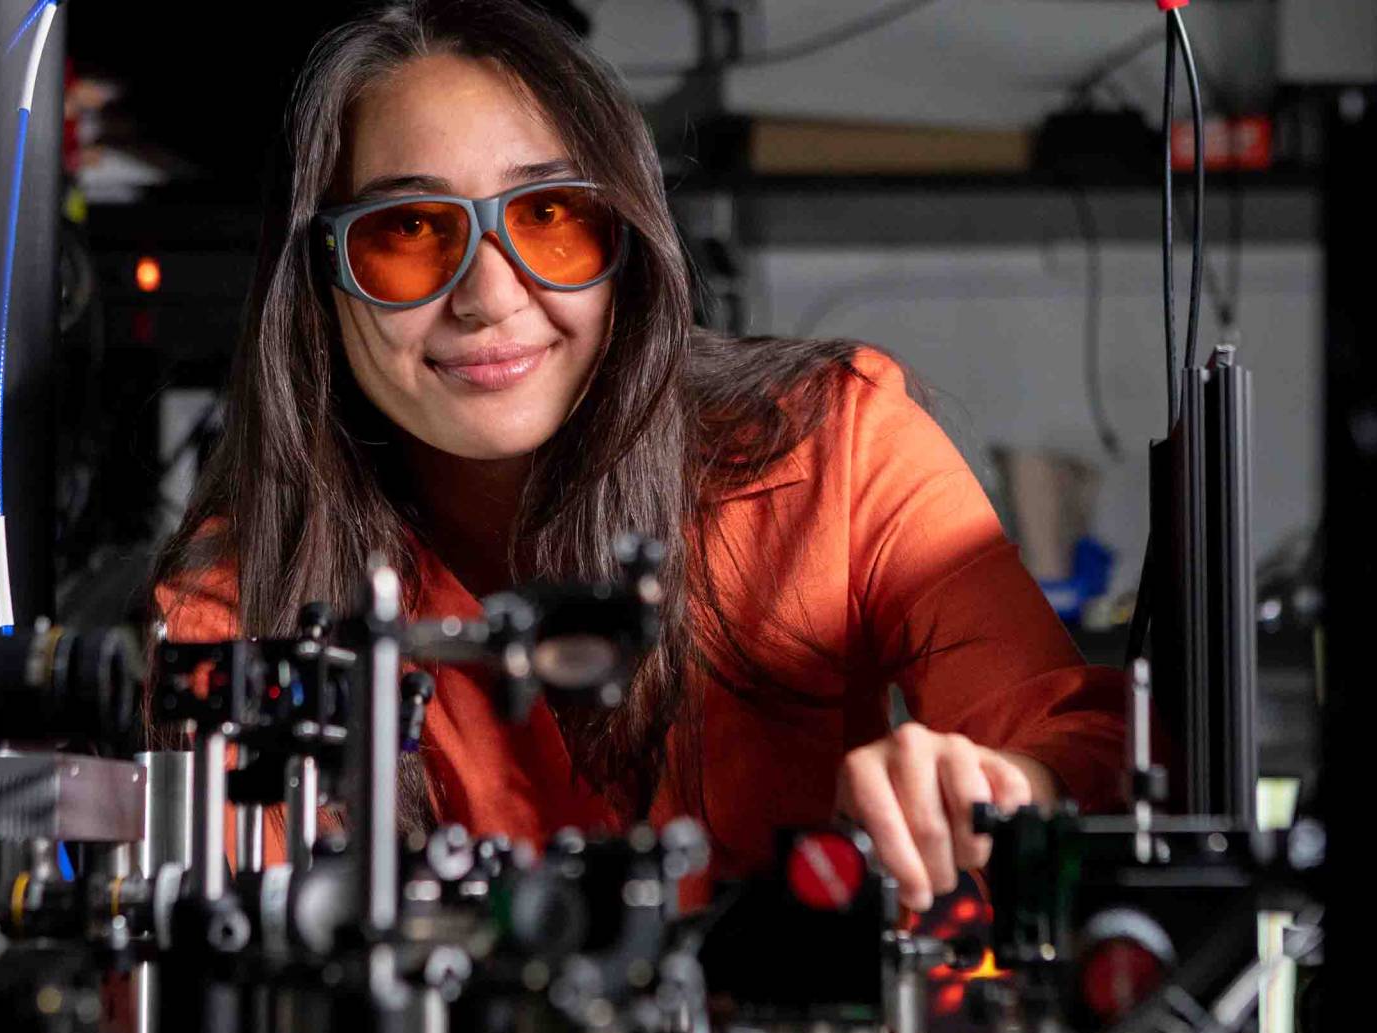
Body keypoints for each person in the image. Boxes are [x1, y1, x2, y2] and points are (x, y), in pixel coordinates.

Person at [152, 0, 1127, 912]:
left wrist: (1002, 785)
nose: (490, 296)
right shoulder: (241, 605)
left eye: (548, 216)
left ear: (626, 235)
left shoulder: (832, 442)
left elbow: (1083, 737)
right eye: (409, 231)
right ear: (320, 283)